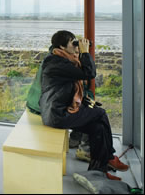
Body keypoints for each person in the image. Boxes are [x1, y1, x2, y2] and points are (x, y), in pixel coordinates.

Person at [39, 30, 129, 181]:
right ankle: (109, 157)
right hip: (57, 115)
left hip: (59, 111)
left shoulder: (61, 60)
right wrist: (85, 52)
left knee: (97, 128)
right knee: (100, 113)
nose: (76, 46)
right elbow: (89, 73)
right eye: (72, 43)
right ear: (61, 46)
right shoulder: (56, 63)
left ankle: (97, 172)